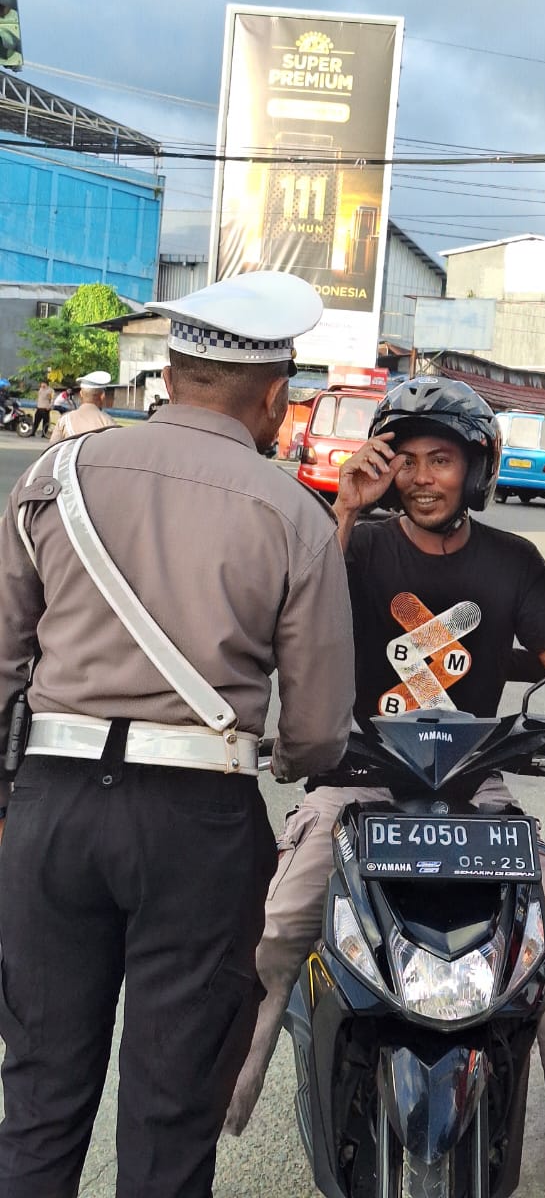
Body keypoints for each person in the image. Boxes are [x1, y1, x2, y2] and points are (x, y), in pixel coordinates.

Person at [226, 377, 545, 1198]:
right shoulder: (351, 546)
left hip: (472, 795)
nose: (424, 477)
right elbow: (288, 597)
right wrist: (345, 507)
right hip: (355, 787)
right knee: (277, 928)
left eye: (443, 460)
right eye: (407, 460)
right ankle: (215, 1111)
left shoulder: (513, 561)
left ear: (478, 468)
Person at [0, 271, 355, 1195]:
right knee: (169, 1105)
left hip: (51, 806)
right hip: (199, 820)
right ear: (275, 394)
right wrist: (293, 756)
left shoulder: (56, 474)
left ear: (170, 369)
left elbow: (2, 661)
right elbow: (317, 731)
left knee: (38, 1092)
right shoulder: (294, 515)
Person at [48, 370, 118, 443]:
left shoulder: (64, 420)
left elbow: (52, 450)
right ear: (102, 396)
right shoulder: (109, 423)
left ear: (81, 393)